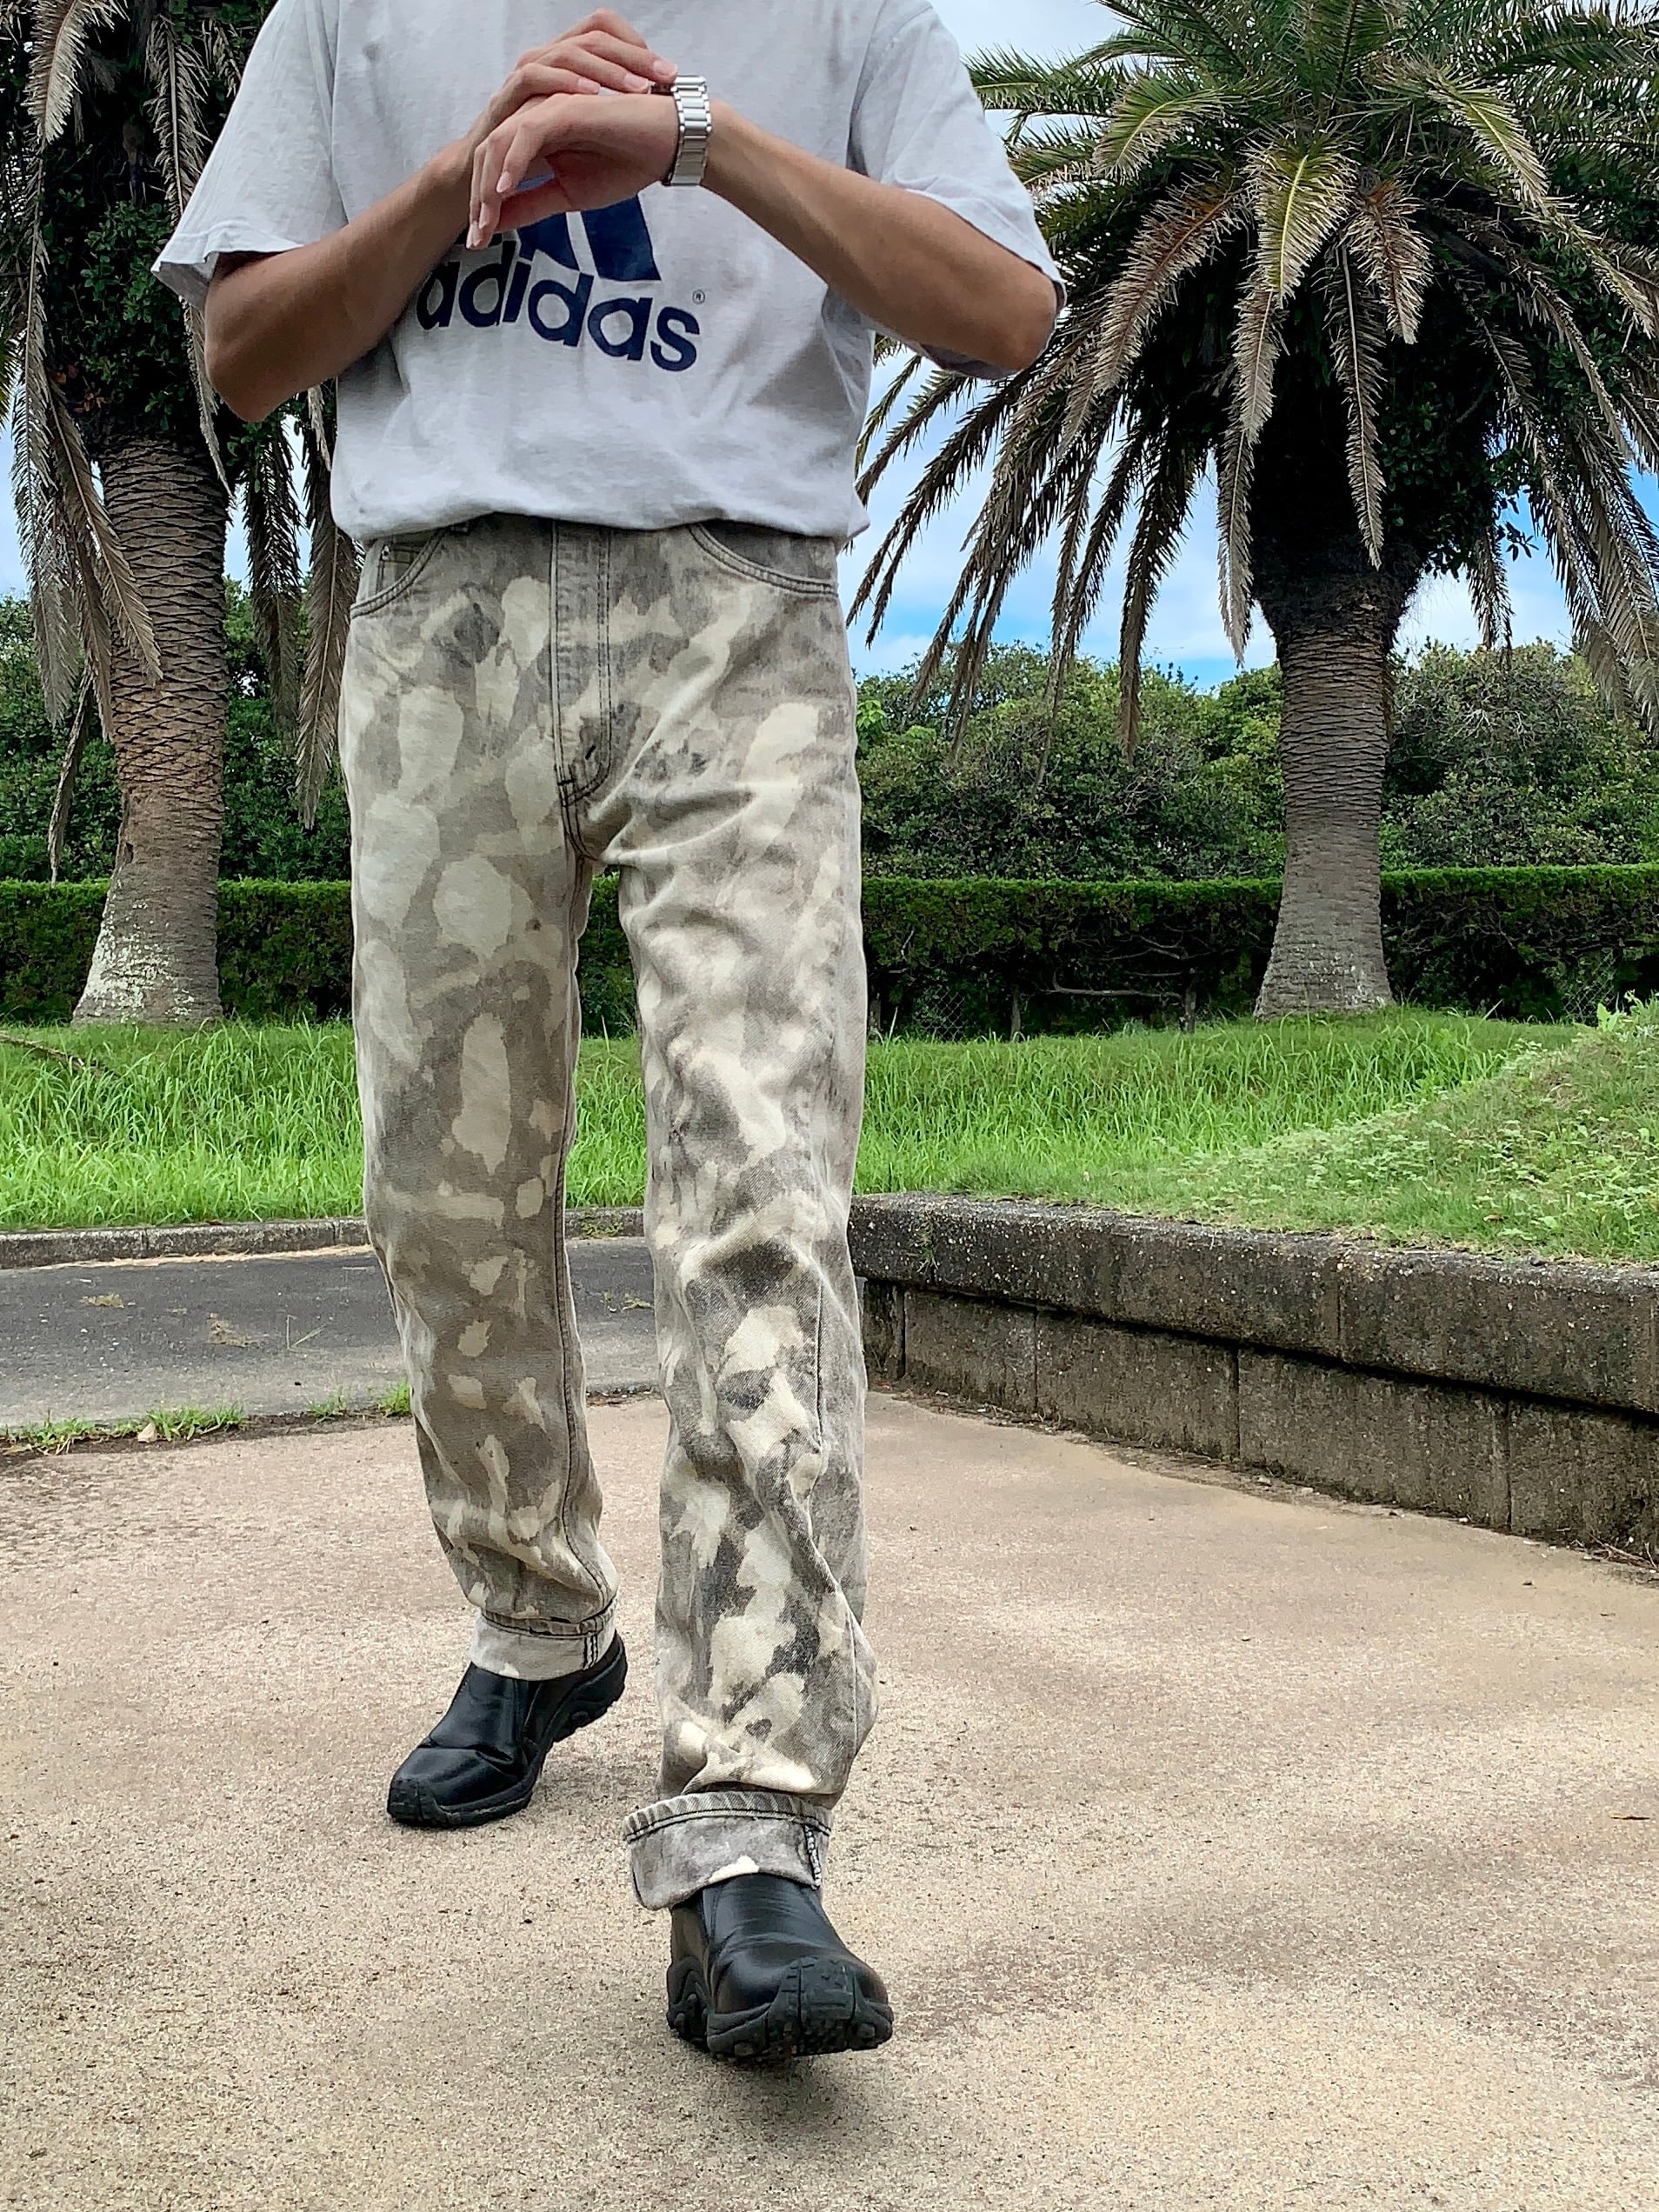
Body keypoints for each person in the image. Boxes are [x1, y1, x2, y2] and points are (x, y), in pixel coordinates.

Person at [157, 1, 1057, 2063]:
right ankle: (537, 1618)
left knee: (764, 1188)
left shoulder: (849, 13)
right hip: (438, 611)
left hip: (740, 612)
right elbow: (245, 353)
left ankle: (751, 1824)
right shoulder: (349, 12)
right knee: (448, 1198)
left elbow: (1004, 311)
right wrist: (456, 173)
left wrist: (694, 142)